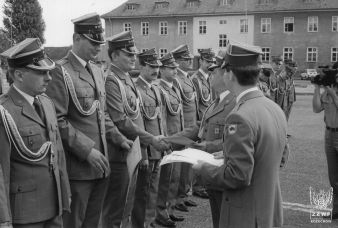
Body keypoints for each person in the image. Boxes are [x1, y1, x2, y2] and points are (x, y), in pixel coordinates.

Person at [46, 13, 131, 228]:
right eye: (93, 42)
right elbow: (57, 120)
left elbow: (101, 114)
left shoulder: (96, 69)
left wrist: (118, 138)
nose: (97, 47)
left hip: (102, 163)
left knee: (94, 222)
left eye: (99, 43)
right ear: (76, 39)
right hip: (79, 168)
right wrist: (86, 150)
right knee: (75, 222)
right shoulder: (60, 71)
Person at [192, 42, 288, 228]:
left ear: (229, 74)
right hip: (268, 209)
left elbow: (237, 176)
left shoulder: (239, 116)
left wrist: (202, 169)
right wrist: (228, 153)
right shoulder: (274, 108)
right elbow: (281, 156)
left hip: (245, 214)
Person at [0, 38, 71, 228]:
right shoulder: (4, 111)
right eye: (41, 73)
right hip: (25, 214)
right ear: (19, 75)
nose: (49, 77)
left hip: (54, 205)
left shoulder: (46, 103)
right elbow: (1, 171)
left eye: (48, 72)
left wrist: (64, 194)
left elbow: (58, 153)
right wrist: (3, 218)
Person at [103, 31, 169, 228]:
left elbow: (136, 117)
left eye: (134, 54)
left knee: (128, 205)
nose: (133, 58)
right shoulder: (112, 80)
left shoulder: (127, 79)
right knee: (116, 209)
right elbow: (121, 121)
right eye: (128, 54)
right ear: (114, 55)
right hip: (120, 152)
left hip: (132, 150)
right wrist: (151, 140)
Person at [133, 48, 165, 228]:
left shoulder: (155, 89)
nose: (155, 70)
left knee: (153, 190)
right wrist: (143, 154)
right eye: (151, 66)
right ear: (142, 65)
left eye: (157, 66)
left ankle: (150, 221)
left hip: (157, 149)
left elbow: (160, 120)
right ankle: (141, 224)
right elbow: (138, 125)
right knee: (142, 192)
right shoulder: (136, 90)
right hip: (147, 150)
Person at [155, 53, 185, 227]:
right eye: (172, 68)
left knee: (174, 176)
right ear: (163, 69)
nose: (175, 71)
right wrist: (167, 139)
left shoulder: (174, 87)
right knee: (165, 178)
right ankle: (160, 212)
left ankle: (169, 208)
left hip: (178, 137)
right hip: (169, 139)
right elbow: (162, 118)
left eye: (175, 68)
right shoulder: (160, 88)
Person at [171, 44, 198, 211]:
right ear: (179, 61)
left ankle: (183, 194)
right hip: (183, 128)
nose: (190, 61)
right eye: (186, 59)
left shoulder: (187, 77)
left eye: (189, 58)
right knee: (179, 166)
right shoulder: (176, 79)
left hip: (191, 127)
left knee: (188, 164)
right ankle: (176, 199)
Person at [312, 69, 338, 219]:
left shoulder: (331, 93)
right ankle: (336, 210)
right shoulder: (327, 93)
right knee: (333, 177)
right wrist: (317, 88)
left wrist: (330, 91)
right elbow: (316, 108)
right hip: (329, 135)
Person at [190, 48, 215, 199]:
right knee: (200, 154)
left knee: (207, 154)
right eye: (207, 61)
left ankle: (203, 183)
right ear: (201, 61)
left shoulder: (209, 77)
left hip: (209, 120)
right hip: (202, 122)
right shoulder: (195, 79)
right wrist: (201, 125)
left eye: (212, 61)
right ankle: (197, 186)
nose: (210, 64)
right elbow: (197, 103)